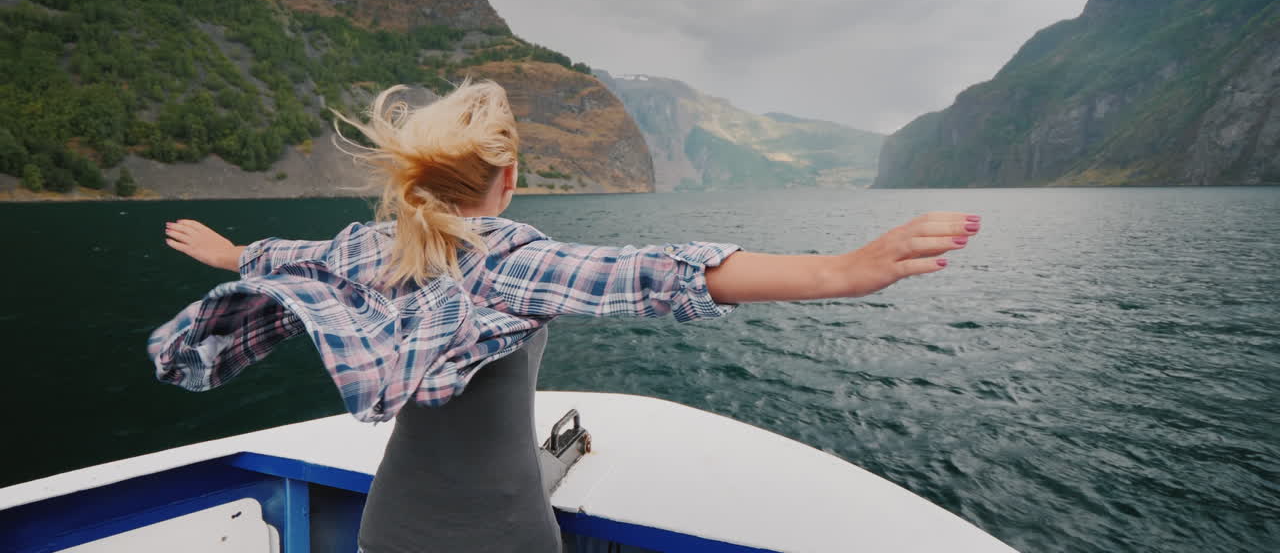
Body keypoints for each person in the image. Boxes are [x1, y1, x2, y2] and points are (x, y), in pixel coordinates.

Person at [154, 81, 981, 553]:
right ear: (508, 182)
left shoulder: (372, 250)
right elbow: (653, 274)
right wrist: (838, 271)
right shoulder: (512, 261)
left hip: (390, 530)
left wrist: (233, 256)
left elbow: (298, 257)